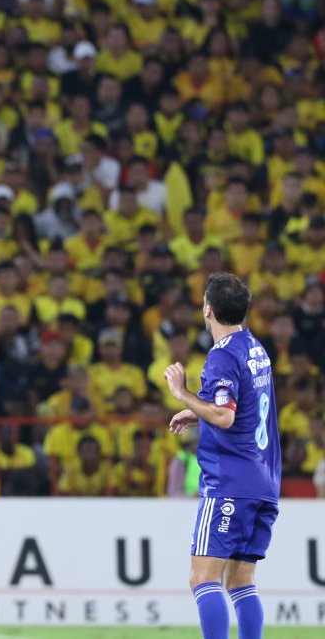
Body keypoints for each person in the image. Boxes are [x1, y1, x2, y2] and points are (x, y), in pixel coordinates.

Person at [163, 272, 279, 639]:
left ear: (207, 309)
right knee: (242, 581)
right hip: (263, 481)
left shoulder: (222, 356)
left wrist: (183, 395)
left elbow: (226, 416)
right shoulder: (254, 348)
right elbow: (241, 409)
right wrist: (199, 413)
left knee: (203, 578)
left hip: (231, 483)